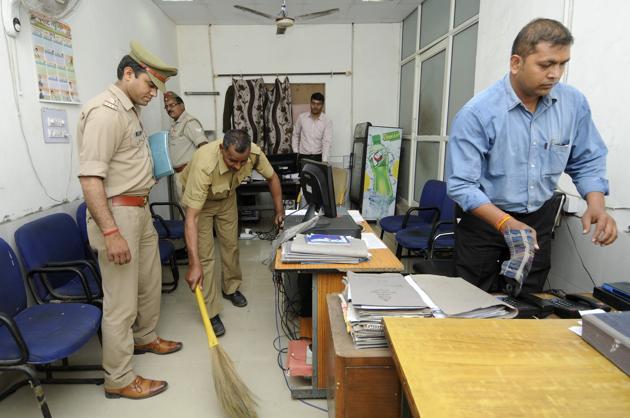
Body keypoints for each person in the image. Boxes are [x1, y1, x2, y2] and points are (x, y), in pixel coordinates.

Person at [446, 18, 617, 294]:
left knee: (528, 301)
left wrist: (596, 204)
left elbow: (586, 158)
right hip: (485, 223)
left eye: (562, 64)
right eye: (546, 64)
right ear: (516, 63)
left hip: (537, 220)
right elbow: (461, 185)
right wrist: (505, 222)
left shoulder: (573, 104)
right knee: (473, 303)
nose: (555, 74)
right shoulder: (478, 113)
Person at [77, 41, 182, 400]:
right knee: (120, 303)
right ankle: (119, 378)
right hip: (117, 214)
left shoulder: (129, 109)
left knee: (149, 284)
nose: (154, 94)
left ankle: (145, 338)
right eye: (150, 85)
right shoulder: (104, 112)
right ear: (127, 74)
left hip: (139, 210)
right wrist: (110, 231)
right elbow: (91, 178)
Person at [181, 129, 284, 336]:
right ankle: (211, 312)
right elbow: (191, 218)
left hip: (226, 197)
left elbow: (272, 178)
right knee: (205, 257)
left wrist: (279, 210)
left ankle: (230, 288)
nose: (237, 166)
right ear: (222, 149)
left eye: (241, 162)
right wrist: (193, 263)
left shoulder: (253, 153)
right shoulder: (204, 164)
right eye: (232, 161)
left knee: (231, 245)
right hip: (200, 203)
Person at [163, 91, 208, 202]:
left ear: (182, 105)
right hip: (179, 174)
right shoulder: (176, 124)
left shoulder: (189, 122)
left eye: (172, 105)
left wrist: (199, 173)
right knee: (184, 209)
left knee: (192, 209)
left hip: (189, 174)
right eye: (166, 107)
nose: (169, 109)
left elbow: (204, 147)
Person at [291, 92, 333, 165]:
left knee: (318, 176)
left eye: (318, 104)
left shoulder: (327, 121)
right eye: (313, 103)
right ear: (310, 103)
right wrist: (295, 152)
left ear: (322, 105)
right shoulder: (302, 118)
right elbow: (295, 135)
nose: (315, 106)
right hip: (303, 157)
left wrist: (325, 160)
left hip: (318, 157)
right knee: (302, 176)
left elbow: (327, 142)